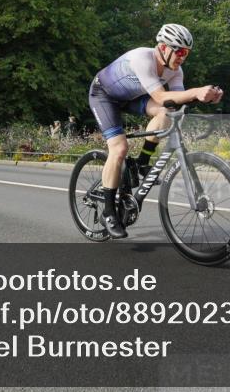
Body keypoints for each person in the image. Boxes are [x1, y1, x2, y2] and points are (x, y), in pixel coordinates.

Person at [88, 24, 222, 239]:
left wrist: (205, 97)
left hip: (132, 97)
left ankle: (143, 161)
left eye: (186, 53)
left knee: (166, 113)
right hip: (104, 95)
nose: (182, 57)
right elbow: (161, 97)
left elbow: (175, 103)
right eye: (178, 51)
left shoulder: (176, 71)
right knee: (119, 149)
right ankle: (109, 213)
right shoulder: (143, 58)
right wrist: (196, 92)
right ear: (162, 47)